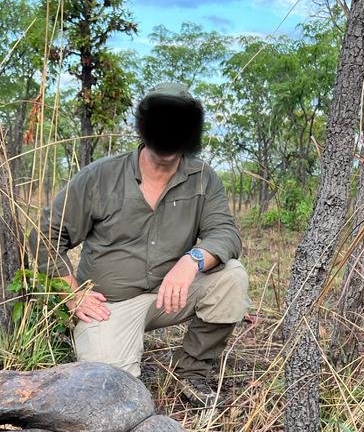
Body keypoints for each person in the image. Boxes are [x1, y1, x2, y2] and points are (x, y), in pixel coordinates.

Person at [34, 81, 251, 403]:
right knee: (111, 390)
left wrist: (191, 261)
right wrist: (71, 292)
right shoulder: (99, 177)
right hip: (109, 305)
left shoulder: (203, 177)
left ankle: (192, 372)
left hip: (171, 295)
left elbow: (225, 232)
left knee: (232, 277)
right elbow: (46, 236)